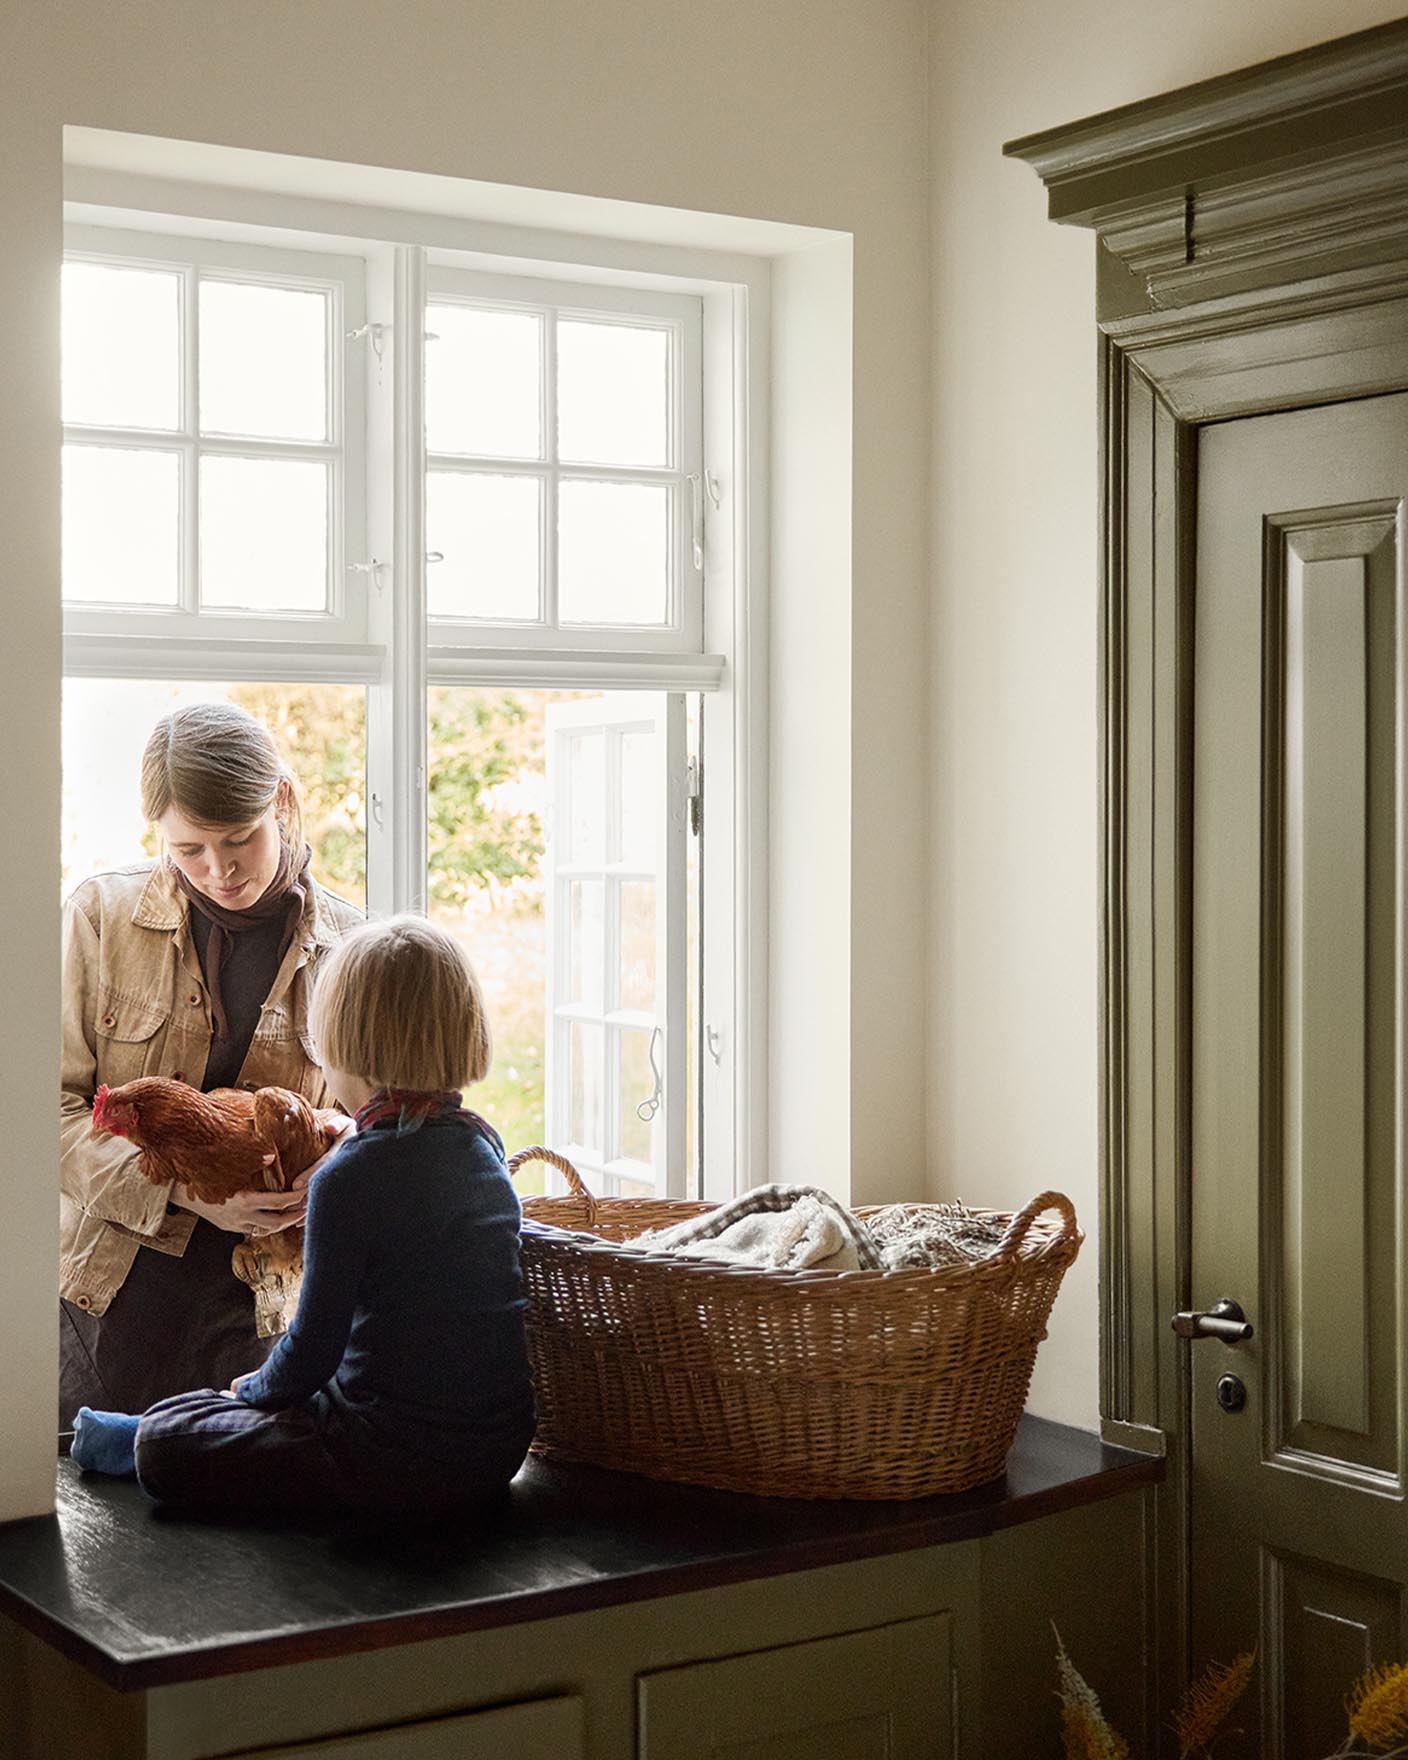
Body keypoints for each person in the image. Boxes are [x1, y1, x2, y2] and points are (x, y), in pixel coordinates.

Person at [70, 916, 536, 1519]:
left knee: (167, 1440)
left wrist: (254, 1391)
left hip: (381, 1452)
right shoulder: (483, 1150)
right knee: (269, 1410)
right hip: (497, 1449)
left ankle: (134, 1435)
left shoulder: (349, 1179)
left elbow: (313, 1351)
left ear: (348, 1053)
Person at [60, 702, 363, 1428]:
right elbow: (43, 1113)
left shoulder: (354, 947)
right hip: (110, 1299)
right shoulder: (100, 919)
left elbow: (376, 1118)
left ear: (280, 802)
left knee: (245, 1533)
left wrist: (342, 1155)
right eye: (188, 848)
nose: (219, 871)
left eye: (239, 839)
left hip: (271, 1308)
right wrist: (183, 1193)